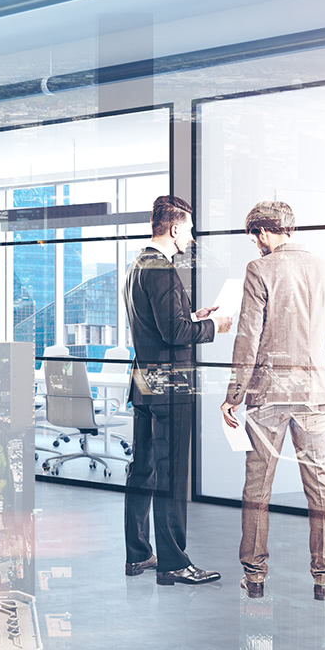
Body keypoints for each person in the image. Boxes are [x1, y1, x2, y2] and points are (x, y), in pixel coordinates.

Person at [219, 201, 325, 601]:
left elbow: (247, 340)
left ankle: (255, 576)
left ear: (262, 232)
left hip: (268, 396)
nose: (255, 244)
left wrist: (232, 396)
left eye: (254, 236)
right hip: (314, 395)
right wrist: (306, 341)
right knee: (320, 486)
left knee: (258, 486)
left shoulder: (260, 270)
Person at [123, 195, 229, 586]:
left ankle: (138, 556)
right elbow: (176, 333)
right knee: (170, 474)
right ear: (174, 228)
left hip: (144, 381)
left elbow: (160, 324)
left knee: (143, 470)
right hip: (170, 385)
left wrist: (192, 315)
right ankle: (173, 563)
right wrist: (214, 327)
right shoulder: (164, 270)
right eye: (189, 228)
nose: (192, 236)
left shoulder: (137, 265)